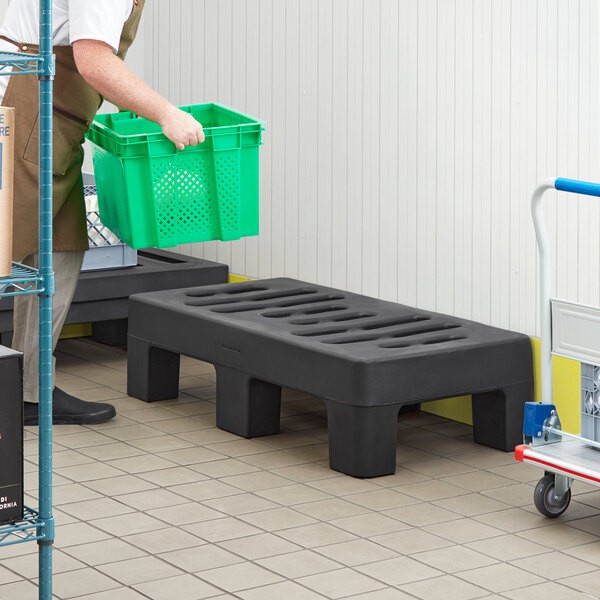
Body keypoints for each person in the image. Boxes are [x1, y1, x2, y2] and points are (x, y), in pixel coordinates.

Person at [0, 0, 204, 425]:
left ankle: (28, 392)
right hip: (30, 109)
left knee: (60, 245)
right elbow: (92, 60)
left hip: (54, 116)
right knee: (4, 250)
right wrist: (165, 113)